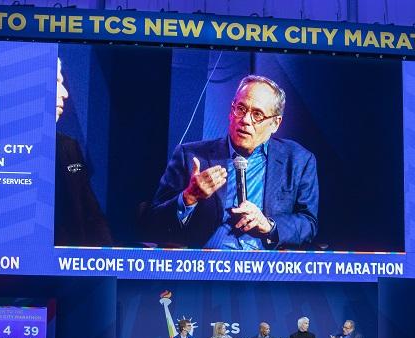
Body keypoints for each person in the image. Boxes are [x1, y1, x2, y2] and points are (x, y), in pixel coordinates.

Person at [148, 75, 319, 250]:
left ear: (275, 123)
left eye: (257, 115)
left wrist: (269, 226)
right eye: (241, 109)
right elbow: (152, 223)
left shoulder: (298, 160)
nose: (245, 120)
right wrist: (189, 197)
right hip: (206, 266)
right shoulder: (190, 156)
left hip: (265, 268)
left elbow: (308, 223)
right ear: (231, 111)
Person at [55, 58, 113, 247]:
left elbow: (93, 215)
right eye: (56, 82)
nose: (64, 94)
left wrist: (109, 262)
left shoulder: (69, 147)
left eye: (63, 83)